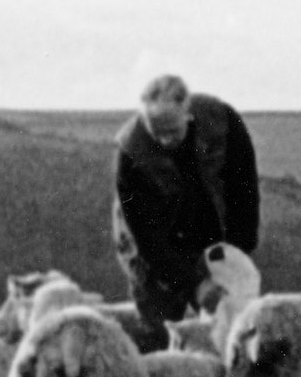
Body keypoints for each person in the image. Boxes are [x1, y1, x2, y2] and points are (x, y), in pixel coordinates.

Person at [111, 72, 261, 329]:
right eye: (156, 133)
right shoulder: (131, 154)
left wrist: (236, 257)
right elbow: (147, 238)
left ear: (186, 111)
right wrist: (195, 284)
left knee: (231, 324)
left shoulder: (222, 123)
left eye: (172, 131)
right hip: (155, 253)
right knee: (165, 327)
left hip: (212, 232)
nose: (165, 141)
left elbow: (244, 193)